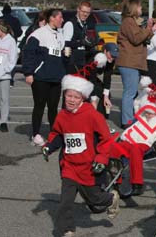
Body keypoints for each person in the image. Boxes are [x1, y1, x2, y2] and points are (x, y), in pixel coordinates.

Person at [41, 74, 119, 237]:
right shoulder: (62, 115)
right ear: (64, 95)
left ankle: (111, 199)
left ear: (82, 98)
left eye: (76, 97)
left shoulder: (92, 115)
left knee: (95, 199)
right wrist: (48, 147)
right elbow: (57, 134)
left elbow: (106, 138)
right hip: (69, 166)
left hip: (88, 167)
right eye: (68, 95)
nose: (71, 100)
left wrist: (101, 159)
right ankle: (67, 230)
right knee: (65, 202)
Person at [107, 77, 156, 197]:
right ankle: (115, 179)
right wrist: (146, 91)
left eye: (151, 112)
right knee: (114, 147)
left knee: (135, 150)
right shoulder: (141, 116)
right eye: (147, 112)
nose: (148, 114)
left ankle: (137, 183)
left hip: (147, 144)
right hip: (130, 141)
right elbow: (137, 104)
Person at [22, 9, 67, 146]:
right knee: (39, 106)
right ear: (52, 18)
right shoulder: (38, 34)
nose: (62, 20)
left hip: (56, 78)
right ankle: (35, 134)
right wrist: (28, 73)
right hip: (40, 77)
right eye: (60, 17)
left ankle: (53, 135)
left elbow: (58, 56)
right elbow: (28, 54)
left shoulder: (60, 35)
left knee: (53, 108)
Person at [116, 0, 155, 129]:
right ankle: (127, 121)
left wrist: (151, 29)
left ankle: (129, 118)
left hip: (133, 63)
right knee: (130, 93)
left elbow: (140, 37)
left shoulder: (132, 22)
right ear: (133, 8)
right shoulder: (128, 22)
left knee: (131, 92)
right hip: (129, 63)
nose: (141, 8)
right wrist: (148, 29)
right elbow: (136, 39)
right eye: (139, 6)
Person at [0, 4, 22, 88]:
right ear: (10, 12)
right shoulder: (15, 20)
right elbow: (19, 32)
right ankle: (10, 80)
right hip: (12, 43)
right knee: (11, 61)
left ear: (3, 11)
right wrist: (14, 35)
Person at [63, 1, 94, 74]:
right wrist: (81, 42)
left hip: (81, 61)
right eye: (83, 11)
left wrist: (90, 44)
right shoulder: (70, 24)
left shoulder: (84, 24)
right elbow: (65, 43)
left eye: (88, 12)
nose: (85, 14)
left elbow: (83, 44)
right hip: (72, 63)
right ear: (78, 10)